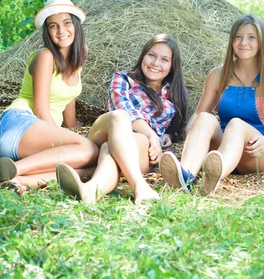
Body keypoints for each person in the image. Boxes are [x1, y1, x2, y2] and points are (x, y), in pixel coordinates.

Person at [159, 14, 264, 196]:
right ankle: (185, 176)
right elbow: (200, 112)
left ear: (261, 42)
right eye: (238, 37)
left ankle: (213, 178)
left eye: (251, 37)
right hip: (223, 146)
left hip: (257, 150)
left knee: (236, 124)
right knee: (205, 119)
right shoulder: (218, 74)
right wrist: (192, 132)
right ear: (232, 41)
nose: (243, 42)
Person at [0, 0, 98, 195]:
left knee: (91, 167)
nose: (61, 31)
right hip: (19, 125)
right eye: (53, 26)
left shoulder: (80, 55)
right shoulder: (46, 56)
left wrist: (72, 129)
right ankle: (14, 168)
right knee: (90, 150)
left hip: (34, 141)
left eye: (66, 23)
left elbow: (68, 98)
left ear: (76, 25)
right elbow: (41, 111)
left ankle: (14, 179)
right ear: (47, 31)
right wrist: (70, 141)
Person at [56, 34, 188, 204]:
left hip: (140, 145)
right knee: (120, 117)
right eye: (152, 55)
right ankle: (139, 185)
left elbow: (176, 127)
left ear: (172, 66)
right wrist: (152, 134)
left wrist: (167, 135)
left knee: (109, 149)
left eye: (164, 60)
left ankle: (90, 191)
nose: (156, 63)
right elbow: (123, 108)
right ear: (143, 56)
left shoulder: (175, 94)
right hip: (109, 129)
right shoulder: (123, 79)